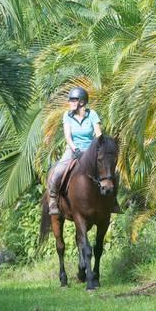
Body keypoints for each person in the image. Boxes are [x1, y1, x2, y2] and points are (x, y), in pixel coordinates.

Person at [47, 87, 120, 216]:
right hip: (73, 149)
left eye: (73, 100)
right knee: (57, 171)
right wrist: (75, 149)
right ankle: (53, 200)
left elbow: (98, 134)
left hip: (92, 150)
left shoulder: (92, 114)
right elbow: (68, 136)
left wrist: (99, 148)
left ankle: (113, 201)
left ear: (81, 102)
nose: (70, 102)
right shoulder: (67, 115)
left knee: (114, 172)